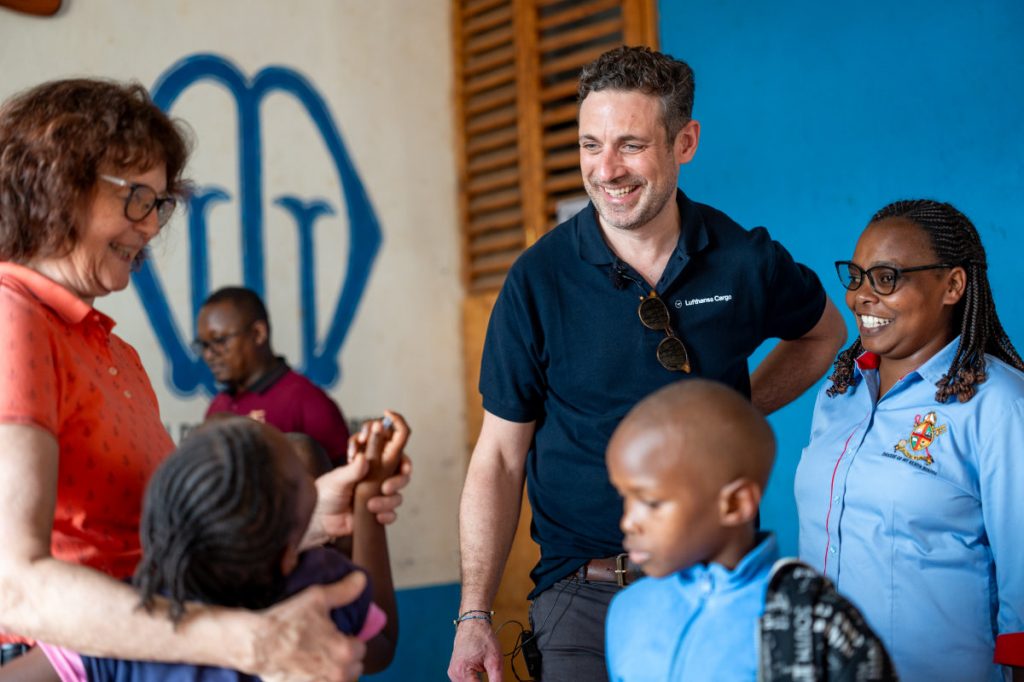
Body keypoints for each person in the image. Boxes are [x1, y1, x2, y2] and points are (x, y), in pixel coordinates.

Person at [448, 46, 846, 681]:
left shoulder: (744, 259)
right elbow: (498, 457)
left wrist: (731, 414)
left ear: (684, 142)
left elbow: (823, 335)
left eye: (630, 146)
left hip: (715, 586)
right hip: (582, 592)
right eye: (590, 145)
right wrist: (473, 615)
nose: (606, 170)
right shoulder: (536, 280)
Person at [0, 78, 410, 682]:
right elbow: (16, 586)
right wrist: (241, 640)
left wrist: (304, 515)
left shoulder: (110, 349)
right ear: (58, 183)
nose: (151, 226)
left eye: (160, 204)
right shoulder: (13, 317)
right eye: (138, 198)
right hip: (65, 659)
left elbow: (162, 545)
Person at [795, 199, 1024, 681]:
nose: (860, 296)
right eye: (856, 277)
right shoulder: (839, 394)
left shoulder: (999, 404)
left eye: (886, 278)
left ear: (953, 285)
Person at [36, 415, 403, 681]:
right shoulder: (316, 589)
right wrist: (367, 497)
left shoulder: (115, 624)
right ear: (289, 553)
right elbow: (381, 646)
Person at [604, 380, 894, 681]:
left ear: (735, 504)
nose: (628, 521)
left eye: (651, 502)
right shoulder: (628, 609)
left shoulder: (818, 622)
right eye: (624, 497)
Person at [195, 286, 350, 465]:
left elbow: (345, 477)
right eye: (204, 345)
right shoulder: (218, 407)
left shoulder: (306, 402)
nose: (208, 355)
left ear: (258, 334)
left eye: (219, 341)